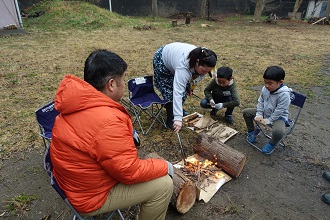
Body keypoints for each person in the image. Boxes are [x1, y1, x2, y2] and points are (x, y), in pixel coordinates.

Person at [50, 49, 174, 219]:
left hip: (73, 182)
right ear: (111, 84)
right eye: (123, 79)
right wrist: (165, 166)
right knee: (164, 184)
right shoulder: (107, 121)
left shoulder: (77, 103)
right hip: (90, 196)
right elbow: (128, 172)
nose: (124, 84)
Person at [153, 42, 217, 132]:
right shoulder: (183, 66)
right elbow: (177, 92)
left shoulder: (206, 57)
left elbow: (199, 75)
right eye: (203, 70)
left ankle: (177, 109)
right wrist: (178, 119)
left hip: (176, 57)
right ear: (197, 62)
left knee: (184, 92)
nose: (204, 73)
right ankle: (172, 118)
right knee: (170, 93)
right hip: (163, 59)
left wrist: (190, 87)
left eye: (207, 71)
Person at [242, 66, 292, 155]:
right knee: (246, 112)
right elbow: (261, 101)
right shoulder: (265, 89)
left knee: (279, 132)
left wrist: (269, 120)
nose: (266, 85)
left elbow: (279, 111)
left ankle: (272, 144)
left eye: (270, 83)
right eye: (265, 82)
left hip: (278, 117)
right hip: (265, 112)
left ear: (280, 82)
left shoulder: (285, 95)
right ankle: (252, 131)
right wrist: (259, 114)